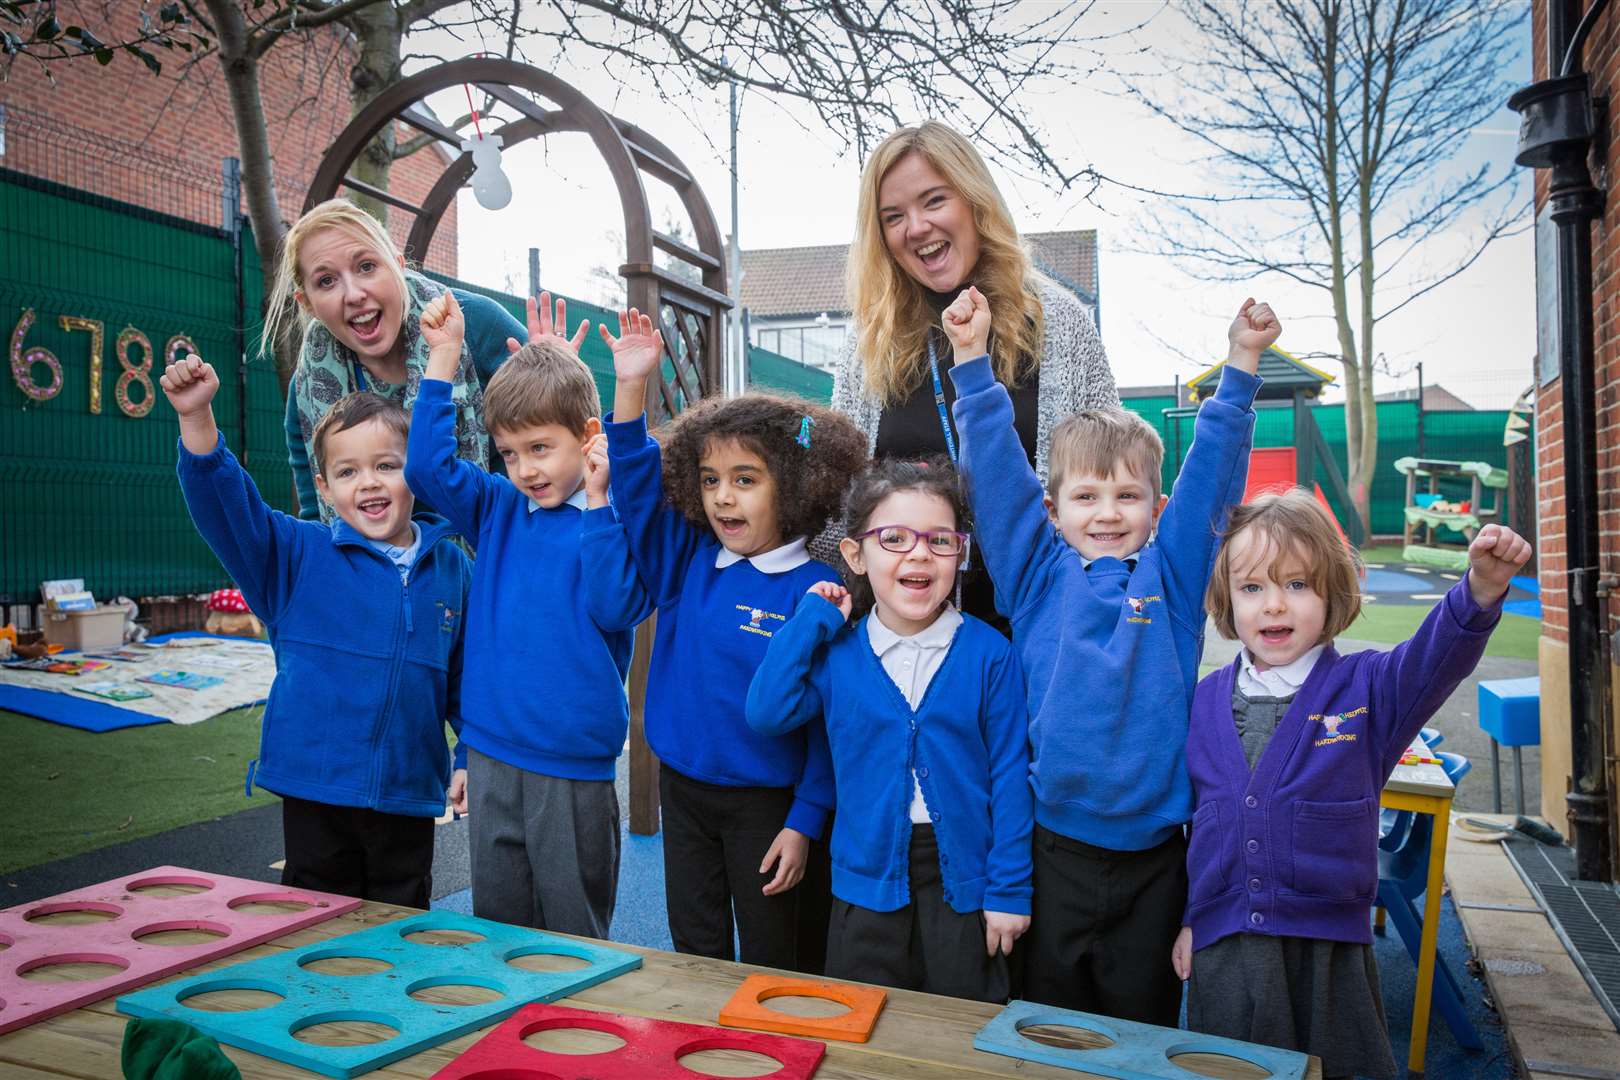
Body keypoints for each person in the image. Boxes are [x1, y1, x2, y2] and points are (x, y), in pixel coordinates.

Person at [943, 286, 1276, 1024]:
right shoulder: (1034, 576)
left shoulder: (1175, 578)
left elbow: (1211, 482)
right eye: (1086, 497)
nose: (1107, 513)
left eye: (1127, 497)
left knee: (1140, 1032)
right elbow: (996, 480)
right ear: (1053, 509)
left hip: (1155, 864)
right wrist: (971, 361)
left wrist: (1242, 367)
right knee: (1048, 1031)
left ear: (1155, 511)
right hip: (1052, 851)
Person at [1175, 493, 1530, 1079]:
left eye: (1296, 584)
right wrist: (1192, 918)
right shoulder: (1203, 701)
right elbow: (1200, 830)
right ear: (1226, 599)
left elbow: (1433, 659)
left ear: (1331, 593)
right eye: (1253, 588)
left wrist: (1481, 590)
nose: (1274, 605)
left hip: (1327, 951)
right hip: (1228, 951)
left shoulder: (1366, 689)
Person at [600, 308, 866, 971]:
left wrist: (805, 821)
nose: (723, 498)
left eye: (746, 480)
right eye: (712, 480)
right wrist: (630, 388)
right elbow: (634, 492)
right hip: (683, 793)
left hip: (769, 807)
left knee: (778, 955)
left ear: (797, 486)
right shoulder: (686, 563)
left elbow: (829, 726)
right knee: (695, 949)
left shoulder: (820, 590)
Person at [161, 356, 470, 906]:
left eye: (387, 466)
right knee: (313, 923)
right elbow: (228, 509)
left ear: (416, 475)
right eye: (348, 472)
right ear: (325, 488)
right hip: (317, 788)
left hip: (408, 792)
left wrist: (468, 752)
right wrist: (197, 418)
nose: (369, 483)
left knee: (402, 923)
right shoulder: (295, 556)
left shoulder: (451, 569)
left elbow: (469, 679)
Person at [404, 291, 649, 936]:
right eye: (509, 454)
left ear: (588, 438)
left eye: (539, 449)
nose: (524, 470)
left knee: (574, 933)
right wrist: (445, 356)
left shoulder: (612, 521)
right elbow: (426, 467)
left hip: (571, 764)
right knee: (499, 932)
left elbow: (616, 605)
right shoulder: (496, 509)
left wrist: (599, 503)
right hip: (490, 756)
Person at [747, 458, 1033, 1002]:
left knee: (959, 1031)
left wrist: (1010, 891)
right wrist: (812, 619)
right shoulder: (839, 655)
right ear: (856, 554)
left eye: (940, 540)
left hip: (967, 888)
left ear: (961, 553)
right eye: (894, 538)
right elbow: (767, 711)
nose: (919, 553)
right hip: (864, 881)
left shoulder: (991, 655)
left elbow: (1011, 778)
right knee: (864, 1029)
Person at [830, 120, 1118, 626]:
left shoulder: (1060, 322)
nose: (916, 227)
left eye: (934, 201)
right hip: (904, 644)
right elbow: (841, 501)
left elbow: (1115, 471)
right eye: (893, 216)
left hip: (1038, 629)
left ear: (975, 202)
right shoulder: (868, 344)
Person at [268, 197, 584, 522]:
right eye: (326, 281)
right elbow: (314, 512)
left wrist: (561, 378)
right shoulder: (308, 389)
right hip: (386, 566)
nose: (353, 293)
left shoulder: (472, 324)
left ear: (398, 265)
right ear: (306, 303)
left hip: (503, 543)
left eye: (366, 267)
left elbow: (573, 432)